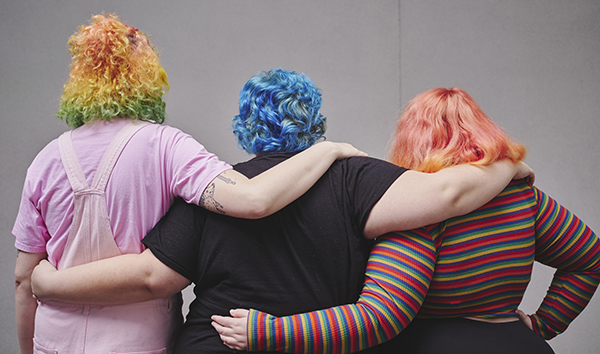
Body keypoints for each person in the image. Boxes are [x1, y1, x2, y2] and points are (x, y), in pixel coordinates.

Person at [30, 72, 532, 354]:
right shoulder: (358, 177)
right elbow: (445, 196)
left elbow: (148, 278)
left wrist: (47, 282)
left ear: (245, 128)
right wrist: (508, 163)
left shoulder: (214, 188)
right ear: (317, 124)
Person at [12, 15, 368, 354]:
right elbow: (253, 198)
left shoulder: (45, 160)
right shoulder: (166, 146)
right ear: (147, 75)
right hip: (139, 342)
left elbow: (24, 280)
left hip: (53, 341)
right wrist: (329, 150)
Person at [211, 87, 600, 354]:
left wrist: (269, 332)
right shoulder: (524, 198)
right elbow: (589, 259)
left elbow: (379, 318)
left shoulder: (421, 215)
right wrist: (543, 325)